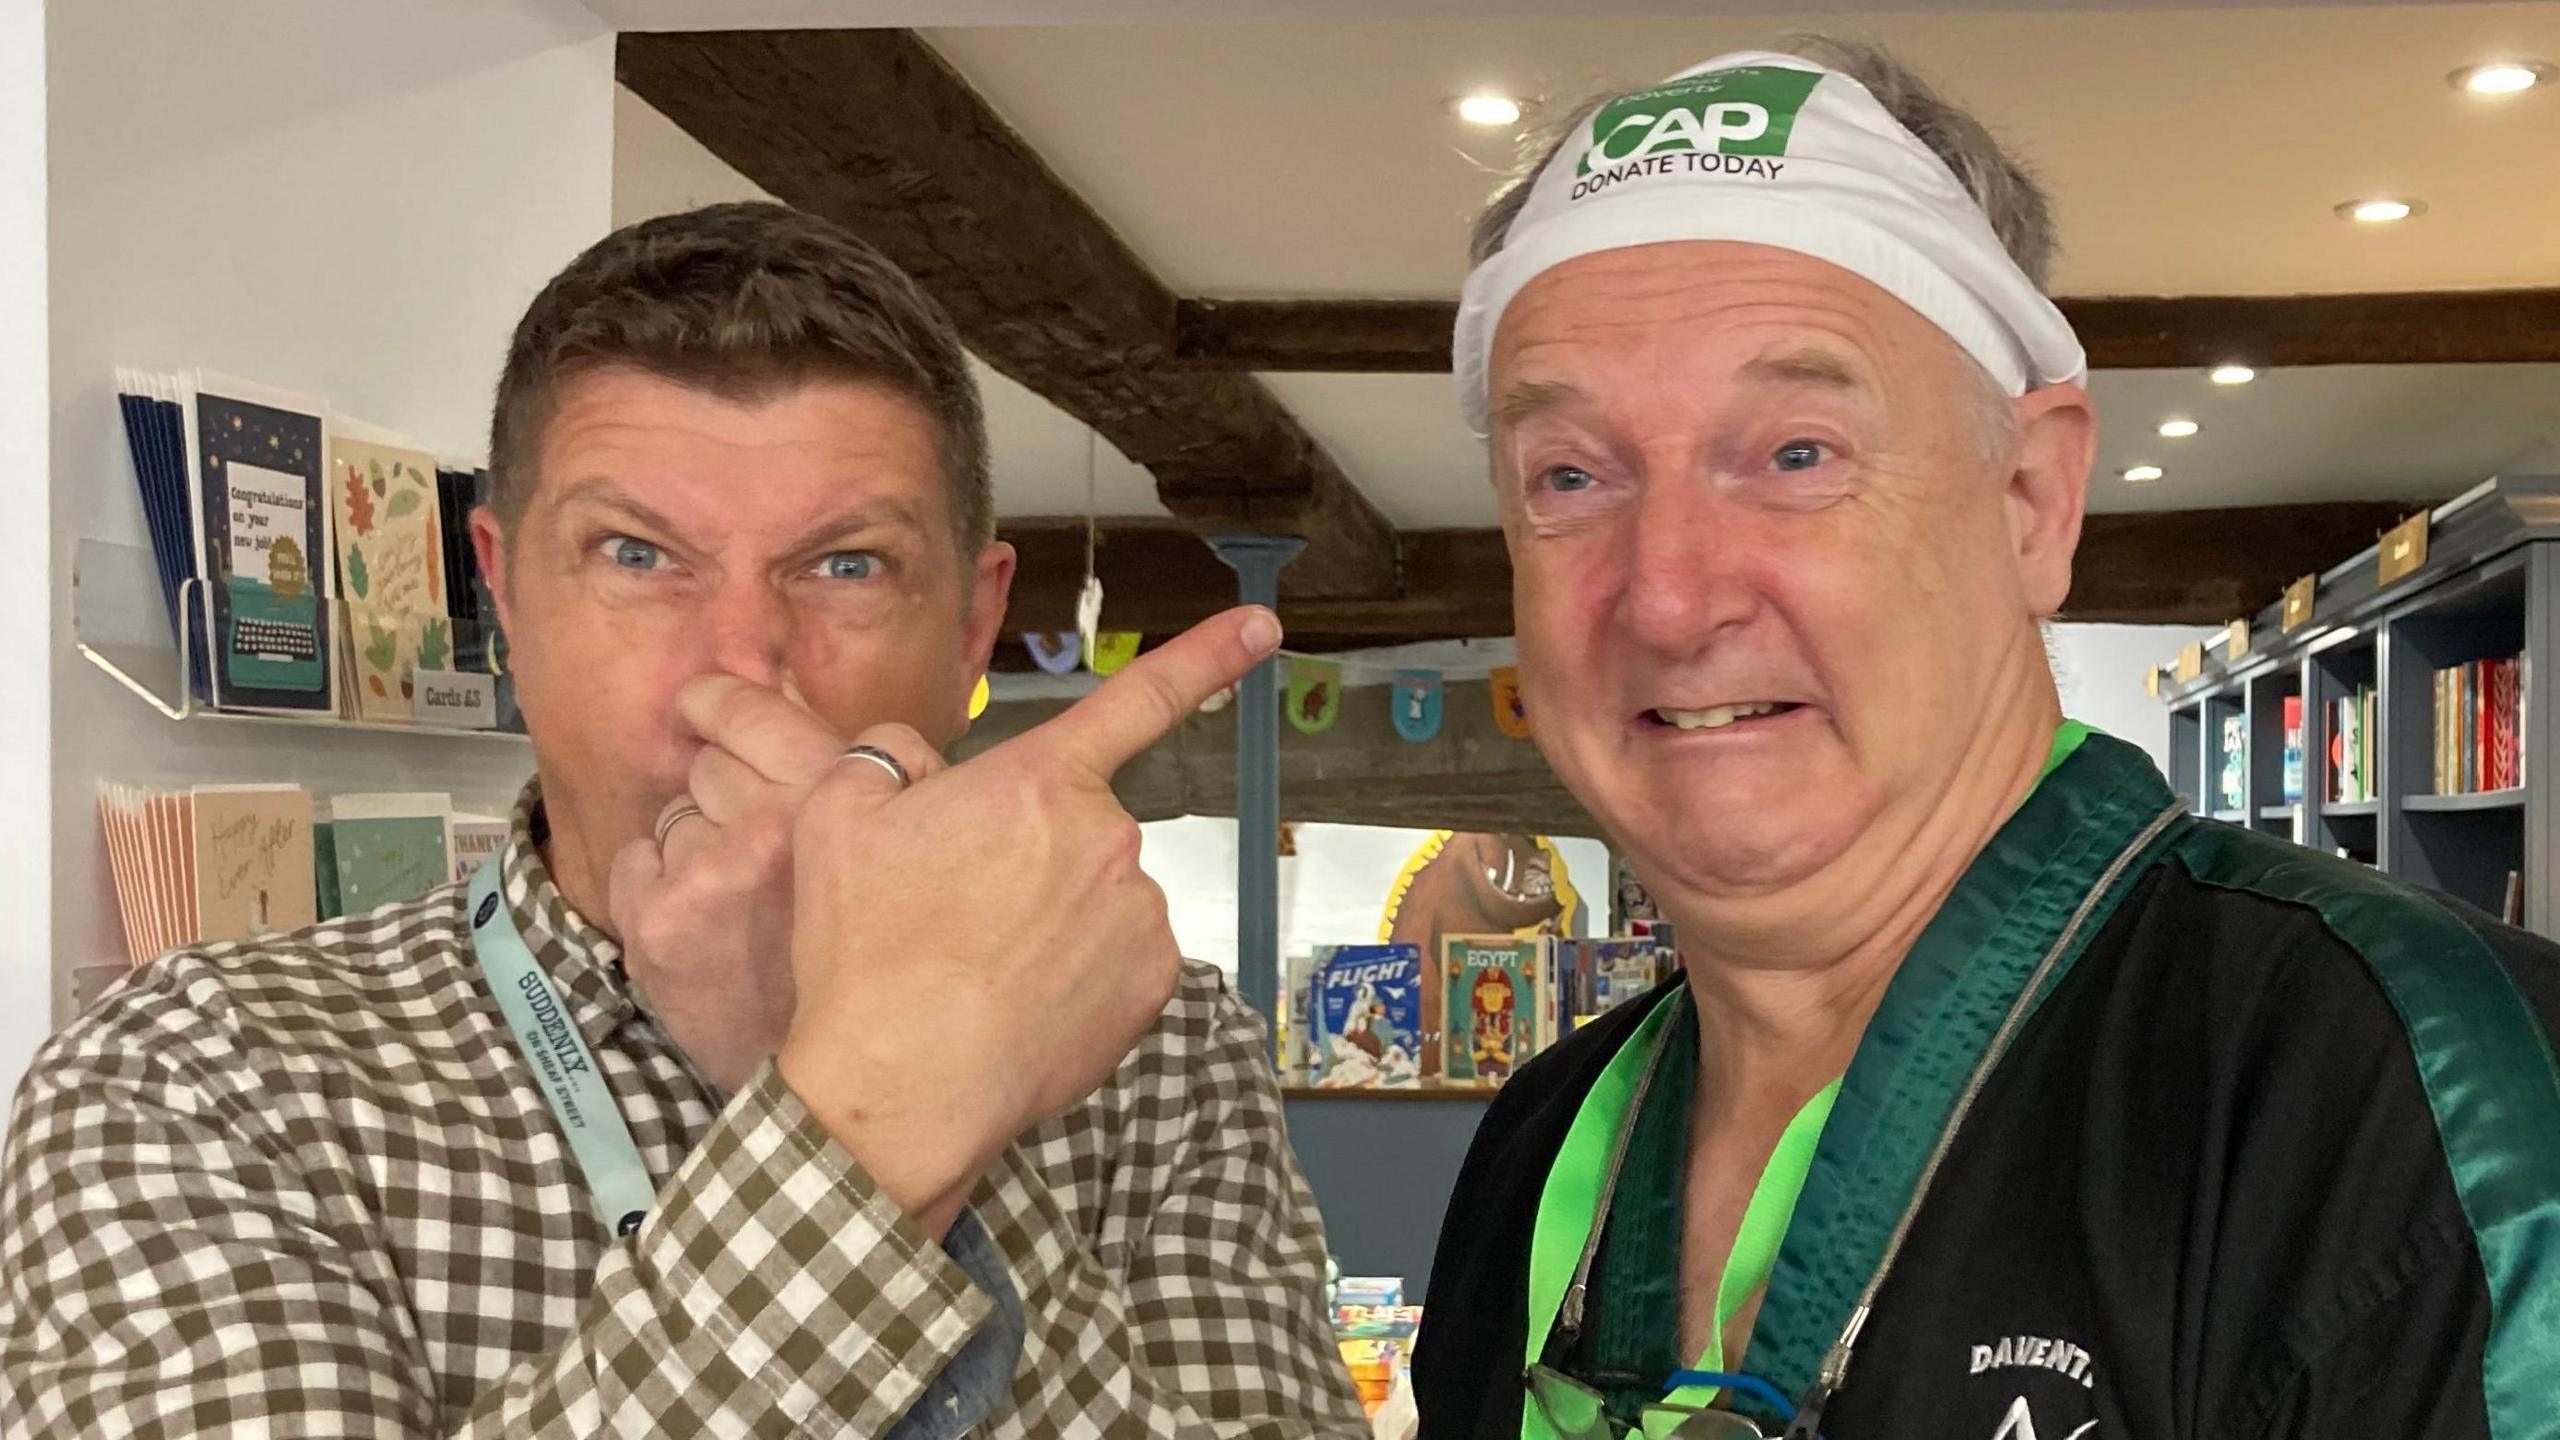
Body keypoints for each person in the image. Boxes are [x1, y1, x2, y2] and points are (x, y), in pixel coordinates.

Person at [1, 202, 1367, 1437]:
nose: (740, 665)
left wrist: (842, 1028)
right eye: (636, 556)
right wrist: (861, 1102)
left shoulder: (1161, 1043)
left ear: (975, 621)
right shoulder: (197, 1074)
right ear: (504, 595)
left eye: (846, 565)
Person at [1412, 39, 2560, 1440]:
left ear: (2030, 499)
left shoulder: (2413, 1098)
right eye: (1572, 476)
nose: (1667, 596)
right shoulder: (1543, 1143)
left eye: (1795, 454)